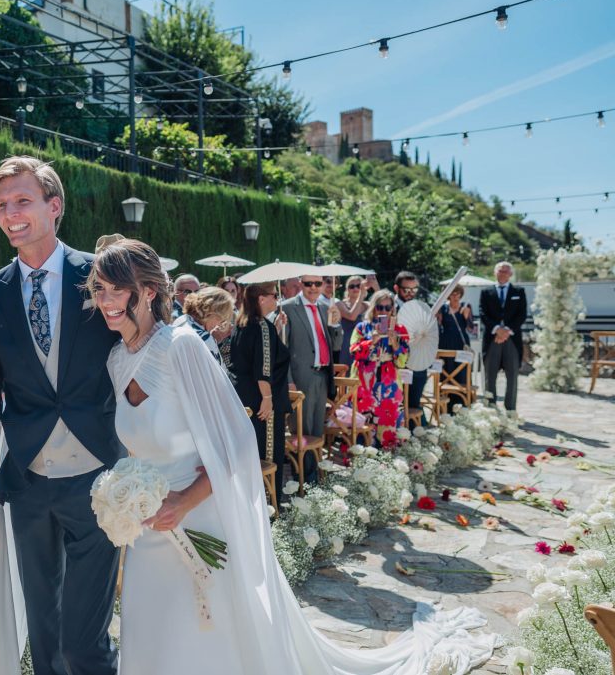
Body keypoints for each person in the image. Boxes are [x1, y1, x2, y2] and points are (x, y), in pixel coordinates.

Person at [91, 239, 498, 675]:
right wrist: (123, 496)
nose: (106, 300)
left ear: (149, 291)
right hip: (148, 529)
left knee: (200, 631)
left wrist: (183, 502)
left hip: (199, 518)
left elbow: (237, 441)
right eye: (99, 289)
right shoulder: (117, 359)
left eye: (117, 289)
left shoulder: (181, 348)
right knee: (152, 630)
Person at [0, 156, 123, 675]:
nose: (11, 213)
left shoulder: (99, 278)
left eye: (23, 200)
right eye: (2, 205)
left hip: (97, 482)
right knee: (46, 646)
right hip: (28, 487)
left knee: (85, 647)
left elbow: (139, 359)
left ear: (54, 207)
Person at [229, 282, 290, 499]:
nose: (277, 299)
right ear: (261, 299)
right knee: (267, 454)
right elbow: (263, 368)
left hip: (243, 397)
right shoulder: (262, 326)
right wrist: (267, 398)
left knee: (250, 453)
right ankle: (269, 506)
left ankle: (252, 503)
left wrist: (276, 329)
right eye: (274, 295)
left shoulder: (242, 323)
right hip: (260, 400)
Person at [280, 274, 342, 481]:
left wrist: (335, 325)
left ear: (324, 285)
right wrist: (288, 379)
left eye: (317, 283)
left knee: (316, 427)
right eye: (308, 284)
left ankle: (313, 472)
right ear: (301, 284)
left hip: (322, 375)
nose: (313, 288)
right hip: (300, 377)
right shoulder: (287, 307)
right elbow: (283, 348)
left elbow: (335, 346)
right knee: (301, 429)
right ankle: (304, 477)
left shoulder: (326, 308)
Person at [350, 290, 411, 448]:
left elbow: (403, 360)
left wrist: (395, 344)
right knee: (364, 423)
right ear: (373, 308)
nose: (383, 311)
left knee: (388, 422)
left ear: (393, 309)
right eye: (379, 307)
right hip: (365, 383)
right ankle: (363, 460)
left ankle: (388, 462)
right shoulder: (362, 328)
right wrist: (371, 341)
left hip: (389, 384)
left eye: (387, 307)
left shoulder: (400, 329)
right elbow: (353, 351)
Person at [480, 261, 527, 412]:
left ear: (511, 274)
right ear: (495, 273)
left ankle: (510, 408)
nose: (503, 273)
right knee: (490, 375)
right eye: (500, 271)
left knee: (512, 375)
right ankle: (491, 408)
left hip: (511, 338)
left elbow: (522, 314)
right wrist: (497, 330)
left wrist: (506, 331)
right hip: (492, 338)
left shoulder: (519, 292)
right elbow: (483, 313)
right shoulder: (486, 292)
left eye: (506, 271)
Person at [173, 286, 235, 372]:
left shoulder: (180, 321)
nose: (220, 324)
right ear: (212, 313)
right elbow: (217, 378)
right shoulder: (205, 338)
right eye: (222, 318)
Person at [393, 271, 428, 418]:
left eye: (414, 289)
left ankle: (413, 437)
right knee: (397, 406)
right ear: (396, 288)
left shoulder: (420, 307)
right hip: (397, 364)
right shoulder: (389, 306)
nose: (411, 293)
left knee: (413, 406)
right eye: (406, 289)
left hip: (418, 362)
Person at [437, 285, 472, 412]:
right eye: (452, 293)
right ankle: (446, 408)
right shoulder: (442, 308)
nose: (455, 296)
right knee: (446, 372)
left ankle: (462, 407)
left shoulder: (466, 306)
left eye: (457, 293)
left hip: (461, 343)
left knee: (461, 373)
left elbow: (471, 328)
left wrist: (466, 317)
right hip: (445, 342)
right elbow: (437, 325)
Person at [336, 275, 367, 368]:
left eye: (358, 286)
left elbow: (384, 308)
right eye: (352, 286)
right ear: (347, 289)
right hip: (346, 345)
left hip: (364, 345)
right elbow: (352, 316)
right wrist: (361, 295)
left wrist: (375, 284)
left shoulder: (367, 305)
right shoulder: (340, 304)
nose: (355, 288)